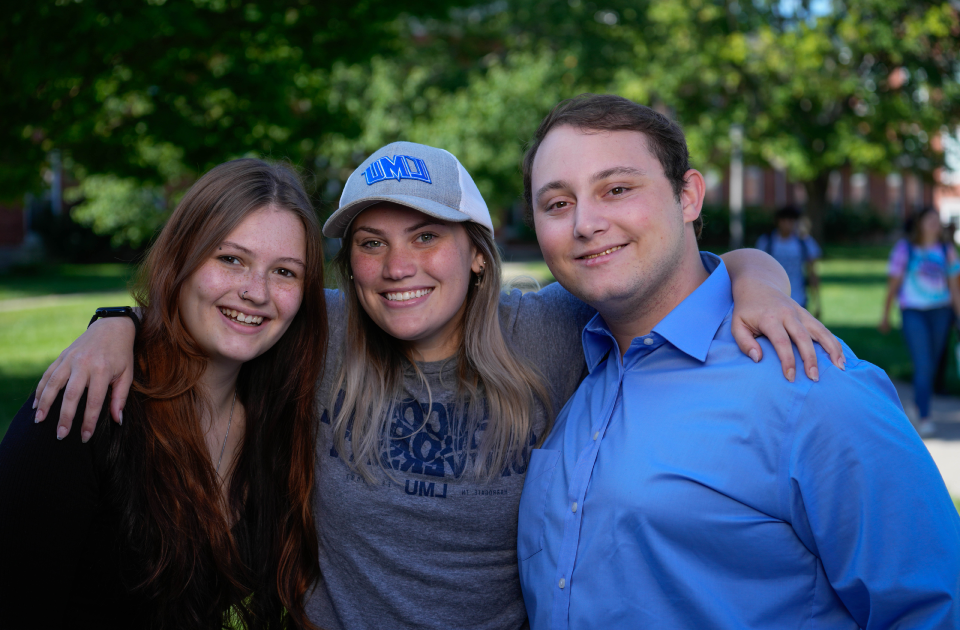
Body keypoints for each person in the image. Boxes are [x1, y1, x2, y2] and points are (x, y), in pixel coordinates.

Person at [30, 142, 842, 630]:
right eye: (373, 245)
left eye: (426, 236)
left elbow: (684, 269)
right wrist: (120, 323)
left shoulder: (549, 333)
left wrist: (760, 282)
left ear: (479, 252)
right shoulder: (325, 328)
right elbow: (224, 302)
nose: (398, 268)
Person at [517, 94, 960, 629]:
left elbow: (933, 609)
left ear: (689, 196)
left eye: (617, 189)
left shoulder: (811, 387)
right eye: (557, 204)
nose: (585, 223)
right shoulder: (560, 366)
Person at [0, 159, 326, 630]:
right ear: (182, 258)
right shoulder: (85, 407)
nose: (256, 291)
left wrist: (119, 318)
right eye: (231, 258)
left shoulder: (274, 420)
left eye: (284, 272)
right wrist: (120, 319)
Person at [880, 206, 960, 437]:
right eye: (929, 219)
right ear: (920, 223)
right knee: (923, 364)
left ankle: (917, 404)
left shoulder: (947, 250)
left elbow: (955, 287)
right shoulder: (905, 249)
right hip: (913, 312)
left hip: (941, 312)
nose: (934, 223)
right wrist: (885, 315)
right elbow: (893, 284)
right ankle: (924, 416)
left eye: (937, 219)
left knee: (932, 365)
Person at [756, 205, 822, 310]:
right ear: (778, 221)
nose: (787, 224)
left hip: (798, 300)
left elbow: (812, 272)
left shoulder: (804, 243)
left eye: (791, 220)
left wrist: (817, 302)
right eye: (784, 220)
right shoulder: (767, 242)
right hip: (772, 299)